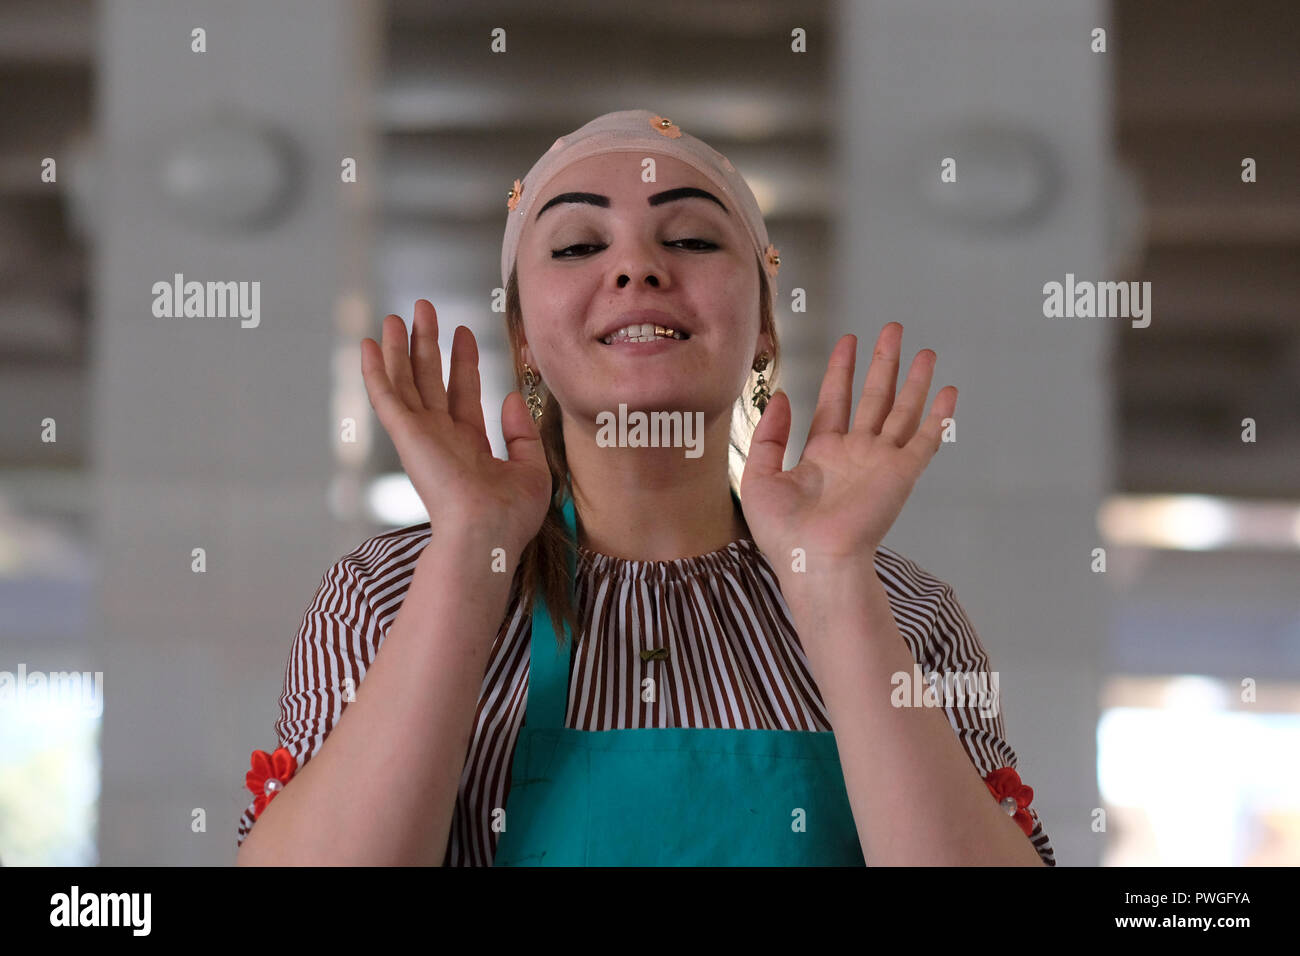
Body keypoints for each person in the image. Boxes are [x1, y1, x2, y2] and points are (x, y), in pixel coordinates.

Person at [235, 108, 1056, 866]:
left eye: (694, 240)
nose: (636, 267)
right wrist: (471, 551)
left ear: (765, 322)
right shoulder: (382, 599)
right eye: (578, 246)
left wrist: (833, 576)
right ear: (523, 338)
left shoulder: (909, 616)